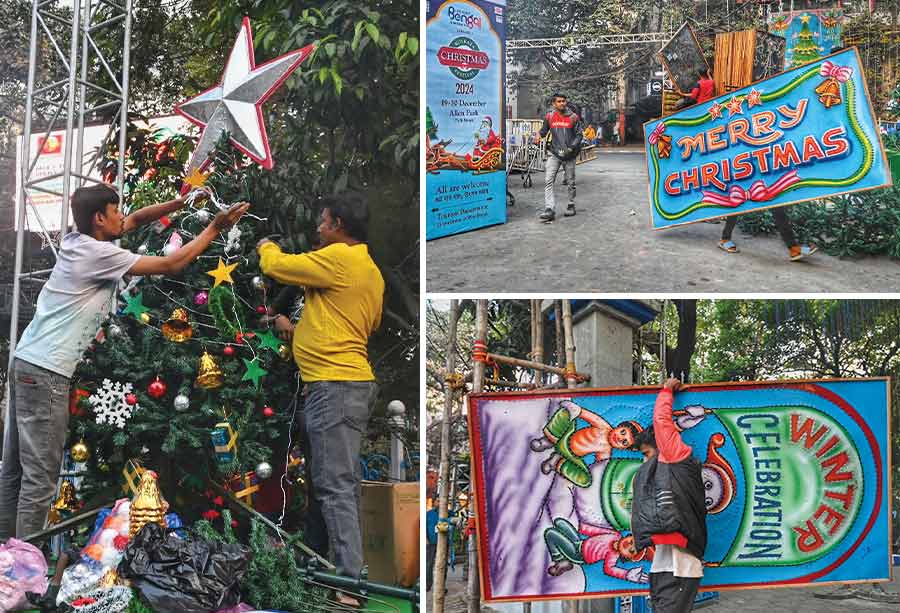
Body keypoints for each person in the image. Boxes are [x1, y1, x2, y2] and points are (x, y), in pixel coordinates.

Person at [0, 184, 248, 543]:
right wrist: (215, 228)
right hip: (47, 371)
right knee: (39, 479)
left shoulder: (77, 240)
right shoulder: (99, 254)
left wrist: (181, 202)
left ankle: (7, 558)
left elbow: (136, 219)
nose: (122, 216)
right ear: (99, 218)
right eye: (115, 211)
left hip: (26, 361)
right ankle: (25, 566)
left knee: (14, 473)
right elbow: (172, 263)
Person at [256, 191, 384, 607]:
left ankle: (349, 586)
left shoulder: (339, 258)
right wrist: (295, 331)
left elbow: (278, 267)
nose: (317, 227)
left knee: (334, 486)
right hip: (341, 384)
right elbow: (355, 325)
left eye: (323, 221)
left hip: (336, 386)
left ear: (339, 225)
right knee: (327, 483)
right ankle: (317, 567)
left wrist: (265, 245)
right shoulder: (369, 271)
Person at [631, 378, 707, 613]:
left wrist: (666, 390)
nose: (645, 462)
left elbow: (661, 422)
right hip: (668, 560)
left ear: (660, 446)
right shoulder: (667, 467)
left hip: (680, 562)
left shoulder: (673, 457)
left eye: (646, 454)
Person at [530, 399, 642, 487]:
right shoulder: (603, 426)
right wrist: (576, 410)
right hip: (565, 437)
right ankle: (548, 440)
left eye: (624, 442)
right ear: (619, 426)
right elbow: (586, 415)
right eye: (623, 432)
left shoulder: (605, 450)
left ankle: (556, 461)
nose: (619, 438)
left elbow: (600, 465)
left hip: (571, 456)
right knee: (566, 413)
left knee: (585, 480)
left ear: (623, 448)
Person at [544, 517, 651, 582]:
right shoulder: (615, 535)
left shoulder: (613, 555)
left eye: (631, 551)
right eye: (631, 541)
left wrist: (626, 574)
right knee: (560, 522)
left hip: (578, 555)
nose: (628, 545)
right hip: (580, 542)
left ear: (627, 557)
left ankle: (560, 560)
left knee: (550, 533)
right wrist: (581, 527)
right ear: (629, 536)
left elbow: (610, 569)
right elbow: (596, 530)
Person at [535, 93, 584, 222]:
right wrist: (538, 136)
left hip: (569, 155)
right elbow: (543, 131)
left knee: (570, 182)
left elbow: (579, 135)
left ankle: (571, 204)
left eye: (564, 101)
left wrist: (571, 147)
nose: (562, 103)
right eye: (559, 101)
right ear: (554, 103)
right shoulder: (549, 116)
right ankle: (549, 209)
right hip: (554, 153)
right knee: (548, 180)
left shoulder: (573, 117)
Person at [718, 210, 818, 261]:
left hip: (765, 179)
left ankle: (793, 248)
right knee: (737, 201)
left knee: (778, 207)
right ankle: (725, 239)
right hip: (744, 178)